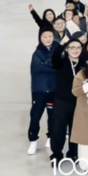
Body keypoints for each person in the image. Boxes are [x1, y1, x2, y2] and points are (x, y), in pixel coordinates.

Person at [50, 37, 83, 161]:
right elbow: (54, 58)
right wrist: (61, 45)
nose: (75, 50)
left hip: (78, 101)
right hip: (61, 101)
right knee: (58, 128)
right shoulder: (61, 62)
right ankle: (57, 153)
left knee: (76, 128)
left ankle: (73, 152)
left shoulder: (84, 63)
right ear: (67, 49)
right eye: (72, 47)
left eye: (78, 47)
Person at [28, 27, 56, 155]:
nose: (48, 39)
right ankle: (33, 140)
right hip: (39, 91)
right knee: (35, 116)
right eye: (45, 37)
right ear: (40, 38)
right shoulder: (37, 53)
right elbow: (38, 69)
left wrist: (48, 64)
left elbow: (59, 67)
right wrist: (53, 66)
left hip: (53, 90)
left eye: (50, 36)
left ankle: (50, 137)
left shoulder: (57, 50)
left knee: (52, 116)